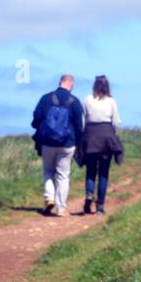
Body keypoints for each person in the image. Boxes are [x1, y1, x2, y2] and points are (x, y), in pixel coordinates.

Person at [31, 74, 85, 216]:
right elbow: (79, 126)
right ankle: (61, 208)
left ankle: (49, 198)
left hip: (47, 142)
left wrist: (41, 130)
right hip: (67, 144)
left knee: (48, 171)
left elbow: (36, 118)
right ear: (71, 85)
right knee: (63, 175)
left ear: (59, 82)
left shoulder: (46, 98)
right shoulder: (75, 101)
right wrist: (78, 142)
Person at [78, 75, 122, 215]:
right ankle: (100, 206)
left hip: (91, 138)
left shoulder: (87, 99)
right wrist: (112, 135)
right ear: (107, 86)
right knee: (103, 173)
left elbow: (83, 120)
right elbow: (115, 122)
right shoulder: (111, 101)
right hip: (106, 139)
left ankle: (89, 196)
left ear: (94, 86)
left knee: (90, 171)